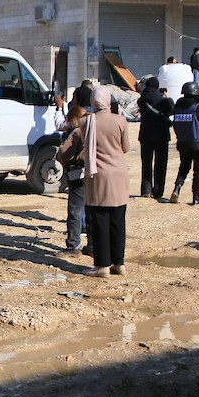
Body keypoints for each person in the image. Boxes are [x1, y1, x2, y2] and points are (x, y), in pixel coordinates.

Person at [57, 86, 129, 277]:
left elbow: (65, 150)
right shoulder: (121, 120)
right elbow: (126, 147)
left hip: (97, 177)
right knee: (118, 220)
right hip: (119, 176)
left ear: (93, 102)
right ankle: (119, 263)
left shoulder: (86, 123)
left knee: (100, 221)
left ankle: (102, 266)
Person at [169, 82, 199, 205]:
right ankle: (196, 196)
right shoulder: (198, 108)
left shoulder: (177, 107)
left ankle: (177, 188)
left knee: (184, 167)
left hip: (183, 143)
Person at [58, 100, 89, 255]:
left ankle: (73, 245)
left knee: (75, 210)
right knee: (90, 210)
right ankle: (92, 245)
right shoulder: (92, 129)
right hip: (93, 174)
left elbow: (64, 153)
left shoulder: (77, 132)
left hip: (77, 175)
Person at [137, 76, 174, 201]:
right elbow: (171, 109)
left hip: (145, 134)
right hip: (161, 134)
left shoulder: (141, 99)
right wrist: (167, 97)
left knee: (146, 163)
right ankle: (158, 191)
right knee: (160, 163)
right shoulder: (162, 100)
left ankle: (145, 189)